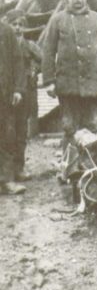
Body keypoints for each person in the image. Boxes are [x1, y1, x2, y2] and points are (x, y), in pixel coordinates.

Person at [42, 0, 97, 151]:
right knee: (69, 126)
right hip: (67, 84)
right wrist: (49, 81)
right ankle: (70, 169)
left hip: (93, 84)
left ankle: (91, 168)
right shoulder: (57, 20)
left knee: (91, 126)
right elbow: (48, 51)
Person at [5, 9, 41, 181]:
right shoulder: (4, 44)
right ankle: (7, 171)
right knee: (7, 132)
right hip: (7, 93)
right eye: (14, 24)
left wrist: (34, 70)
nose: (17, 28)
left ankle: (19, 168)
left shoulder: (29, 45)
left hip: (25, 93)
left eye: (20, 25)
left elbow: (44, 59)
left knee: (21, 131)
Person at [0, 16, 25, 195]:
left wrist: (18, 89)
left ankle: (7, 180)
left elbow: (18, 62)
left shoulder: (6, 31)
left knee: (7, 137)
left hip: (4, 96)